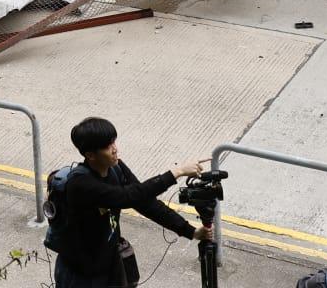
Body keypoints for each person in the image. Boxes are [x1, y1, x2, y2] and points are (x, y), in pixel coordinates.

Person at [52, 116, 212, 288]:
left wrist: (190, 231)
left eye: (114, 142)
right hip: (81, 275)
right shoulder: (81, 185)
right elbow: (127, 197)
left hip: (110, 263)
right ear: (90, 155)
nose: (114, 149)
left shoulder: (115, 168)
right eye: (107, 146)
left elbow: (145, 202)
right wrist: (177, 172)